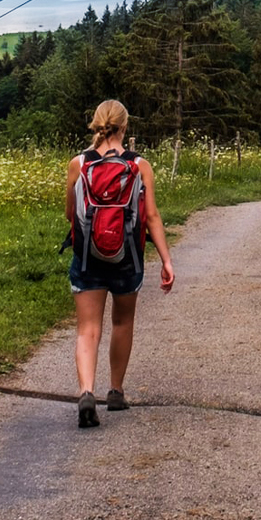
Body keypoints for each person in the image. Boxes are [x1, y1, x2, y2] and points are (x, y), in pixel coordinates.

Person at [65, 99, 174, 428]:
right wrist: (167, 260)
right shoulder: (140, 165)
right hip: (128, 257)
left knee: (88, 329)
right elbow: (151, 216)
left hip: (87, 256)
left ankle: (86, 392)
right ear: (125, 127)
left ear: (96, 125)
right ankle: (115, 391)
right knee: (122, 323)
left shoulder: (78, 164)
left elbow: (70, 215)